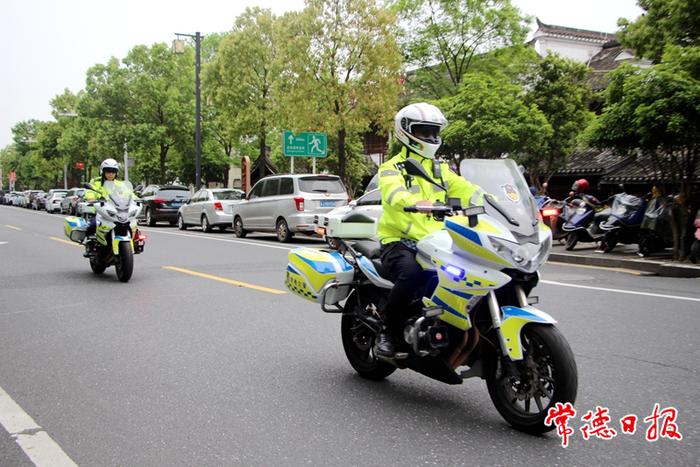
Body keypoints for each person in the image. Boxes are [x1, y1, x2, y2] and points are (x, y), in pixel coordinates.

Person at [376, 103, 482, 358]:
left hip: (438, 241)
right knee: (411, 275)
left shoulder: (440, 168)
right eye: (424, 132)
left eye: (434, 132)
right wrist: (415, 202)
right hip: (399, 241)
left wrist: (492, 200)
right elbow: (393, 192)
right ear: (406, 132)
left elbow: (466, 188)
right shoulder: (391, 167)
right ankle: (387, 332)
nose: (431, 138)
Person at [84, 158, 128, 239]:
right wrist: (91, 198)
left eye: (113, 171)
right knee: (93, 225)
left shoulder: (120, 184)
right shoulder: (95, 182)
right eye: (108, 171)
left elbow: (128, 193)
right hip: (100, 211)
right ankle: (91, 244)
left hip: (117, 211)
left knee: (131, 223)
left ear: (116, 173)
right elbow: (89, 191)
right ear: (103, 171)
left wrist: (136, 198)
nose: (111, 174)